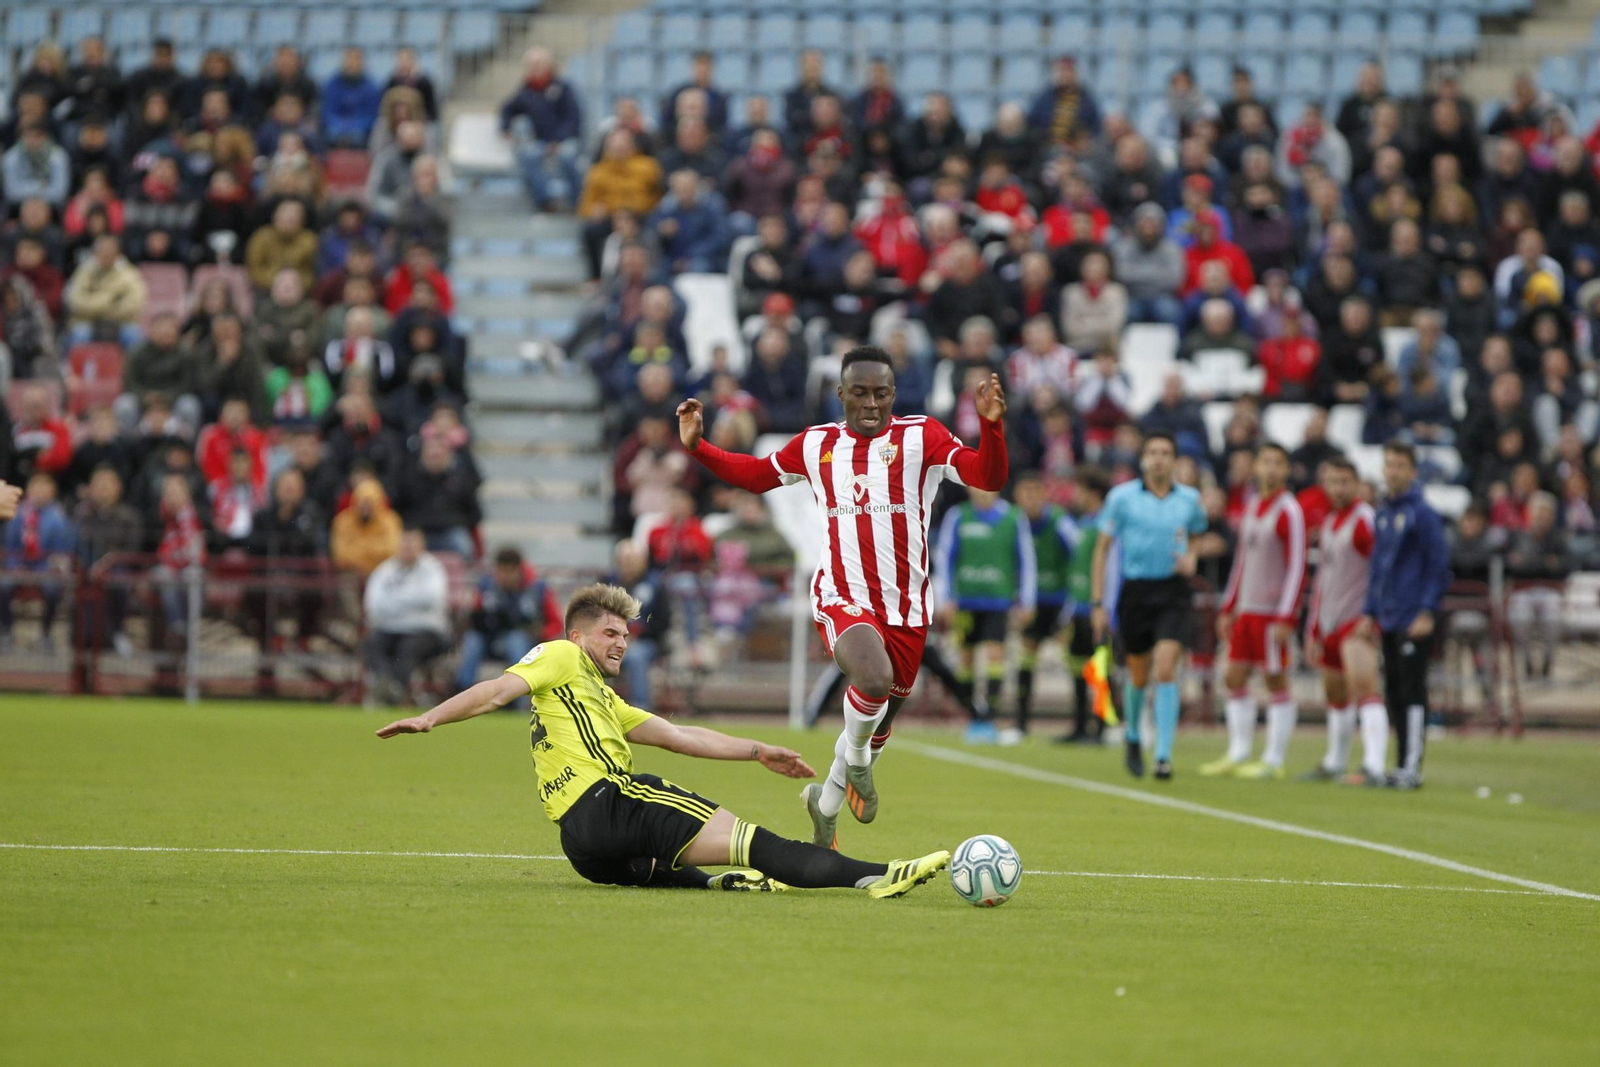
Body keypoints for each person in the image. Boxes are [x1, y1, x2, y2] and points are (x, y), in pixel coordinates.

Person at [376, 583, 951, 895]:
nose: (621, 643)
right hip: (611, 802)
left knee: (680, 870)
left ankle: (720, 882)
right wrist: (432, 717)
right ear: (578, 633)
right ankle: (877, 874)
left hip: (583, 849)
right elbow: (496, 691)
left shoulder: (599, 697)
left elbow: (677, 735)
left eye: (625, 635)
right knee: (760, 843)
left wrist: (757, 750)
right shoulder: (561, 654)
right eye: (610, 633)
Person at [680, 346, 1009, 848]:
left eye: (881, 393)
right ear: (841, 395)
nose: (871, 404)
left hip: (908, 606)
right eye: (860, 393)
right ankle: (855, 763)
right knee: (871, 681)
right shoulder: (816, 445)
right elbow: (754, 474)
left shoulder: (923, 437)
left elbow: (988, 476)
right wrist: (699, 446)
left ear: (894, 395)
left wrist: (991, 427)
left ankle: (826, 805)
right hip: (842, 593)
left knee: (877, 729)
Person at [1090, 433, 1207, 780]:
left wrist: (1192, 556)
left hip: (1173, 591)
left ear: (1174, 460)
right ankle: (1133, 735)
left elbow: (1198, 532)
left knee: (1167, 666)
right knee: (1139, 673)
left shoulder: (1189, 499)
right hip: (1136, 592)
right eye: (1152, 452)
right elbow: (1102, 548)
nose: (1158, 459)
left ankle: (1164, 755)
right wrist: (1098, 602)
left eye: (1165, 453)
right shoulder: (1122, 498)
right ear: (1143, 459)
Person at [1201, 443, 1307, 780]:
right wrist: (1228, 606)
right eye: (1266, 461)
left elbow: (1297, 566)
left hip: (1271, 610)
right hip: (1247, 610)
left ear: (1286, 470)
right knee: (1234, 676)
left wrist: (1286, 615)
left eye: (1278, 462)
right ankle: (1239, 751)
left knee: (1275, 679)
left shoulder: (1288, 510)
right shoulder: (1251, 506)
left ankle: (1274, 759)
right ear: (1256, 466)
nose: (1271, 469)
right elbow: (1241, 563)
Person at [1353, 443, 1452, 789]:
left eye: (1399, 466)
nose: (1392, 472)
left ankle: (1412, 766)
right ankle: (1400, 764)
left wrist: (1427, 610)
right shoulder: (1382, 512)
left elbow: (1438, 567)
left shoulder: (1422, 514)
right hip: (1390, 617)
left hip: (1412, 617)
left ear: (1413, 472)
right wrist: (1369, 611)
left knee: (1412, 690)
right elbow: (1379, 569)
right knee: (1394, 690)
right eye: (1388, 465)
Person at [1301, 459, 1388, 785]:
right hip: (1330, 622)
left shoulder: (1364, 520)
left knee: (1364, 686)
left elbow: (1382, 570)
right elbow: (1323, 580)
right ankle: (1335, 760)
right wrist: (1313, 628)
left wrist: (1372, 614)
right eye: (1332, 482)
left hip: (1355, 619)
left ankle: (1374, 764)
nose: (1338, 488)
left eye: (1344, 482)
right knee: (1335, 691)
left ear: (1356, 483)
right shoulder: (1328, 523)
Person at [935, 486, 1037, 744]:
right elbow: (945, 556)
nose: (980, 491)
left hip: (998, 601)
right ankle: (973, 717)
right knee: (966, 661)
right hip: (966, 601)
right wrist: (946, 597)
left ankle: (989, 717)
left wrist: (1026, 599)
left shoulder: (1014, 517)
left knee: (995, 657)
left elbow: (1026, 559)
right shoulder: (959, 516)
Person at [1011, 471, 1078, 740]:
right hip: (1032, 604)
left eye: (1034, 493)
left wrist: (1076, 600)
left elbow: (1080, 554)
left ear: (1044, 495)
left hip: (1062, 602)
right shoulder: (1015, 523)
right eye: (1023, 494)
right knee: (1026, 660)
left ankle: (1094, 721)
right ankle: (1020, 724)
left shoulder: (1060, 522)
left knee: (1080, 661)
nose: (1029, 500)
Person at [362, 527, 451, 706]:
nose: (407, 547)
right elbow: (373, 604)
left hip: (425, 630)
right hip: (388, 628)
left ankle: (395, 689)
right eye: (404, 542)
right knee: (370, 643)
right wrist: (411, 600)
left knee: (409, 647)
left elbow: (431, 599)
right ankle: (384, 683)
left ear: (422, 546)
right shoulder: (385, 570)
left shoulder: (433, 569)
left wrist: (395, 600)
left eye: (412, 543)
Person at [454, 547, 563, 690]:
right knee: (472, 640)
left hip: (526, 642)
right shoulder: (487, 587)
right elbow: (475, 614)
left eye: (508, 571)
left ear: (518, 570)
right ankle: (461, 692)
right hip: (489, 637)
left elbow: (556, 623)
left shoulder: (537, 589)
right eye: (500, 571)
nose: (503, 576)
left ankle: (517, 696)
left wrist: (539, 633)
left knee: (515, 641)